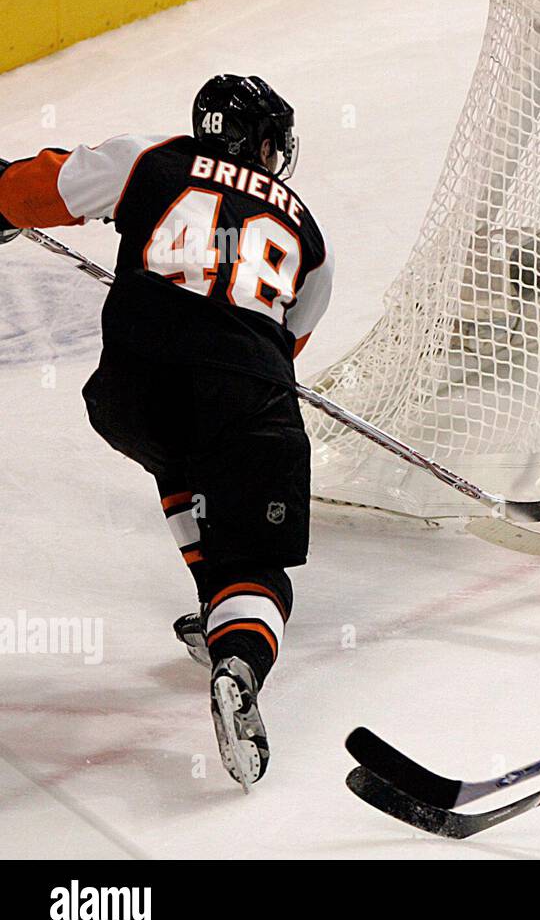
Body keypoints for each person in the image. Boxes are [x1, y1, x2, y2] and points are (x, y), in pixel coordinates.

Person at [0, 75, 333, 790]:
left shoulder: (147, 158)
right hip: (246, 393)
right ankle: (238, 655)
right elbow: (285, 345)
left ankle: (216, 604)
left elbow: (38, 189)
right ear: (264, 143)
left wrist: (3, 200)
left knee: (180, 456)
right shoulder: (310, 235)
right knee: (258, 561)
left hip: (130, 391)